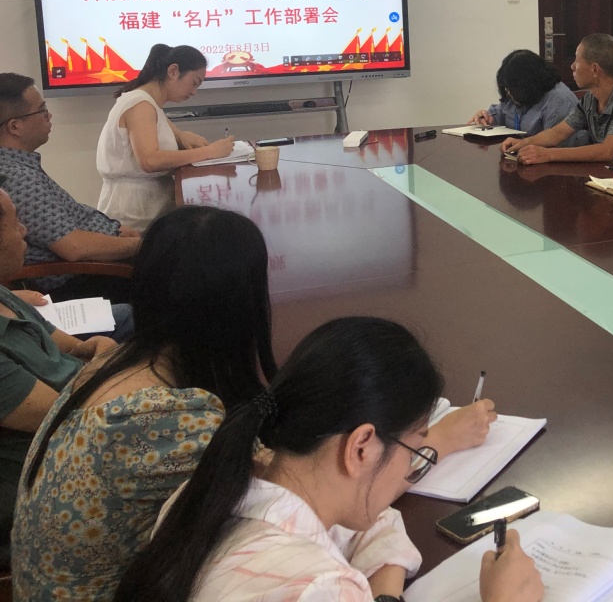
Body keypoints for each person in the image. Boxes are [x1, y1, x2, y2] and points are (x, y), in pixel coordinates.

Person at [11, 206, 497, 602]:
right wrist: (438, 441)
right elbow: (318, 474)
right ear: (241, 303)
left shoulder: (116, 362)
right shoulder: (174, 420)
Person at [112, 316, 543, 602]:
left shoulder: (211, 490)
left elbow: (374, 519)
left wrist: (386, 589)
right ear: (361, 448)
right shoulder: (319, 587)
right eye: (414, 454)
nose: (408, 473)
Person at [0, 183, 115, 567]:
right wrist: (106, 365)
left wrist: (97, 352)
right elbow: (66, 418)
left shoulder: (4, 295)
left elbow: (75, 346)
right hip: (49, 485)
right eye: (14, 222)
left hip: (88, 424)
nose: (24, 231)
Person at [0, 73, 141, 294]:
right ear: (15, 127)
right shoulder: (16, 177)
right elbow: (75, 247)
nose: (49, 116)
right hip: (87, 277)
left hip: (101, 261)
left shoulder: (19, 165)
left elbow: (69, 224)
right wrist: (145, 245)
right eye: (42, 110)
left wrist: (115, 231)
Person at [96, 44, 238, 231]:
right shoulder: (141, 104)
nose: (194, 91)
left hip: (147, 206)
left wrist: (181, 136)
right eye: (194, 82)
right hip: (134, 215)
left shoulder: (149, 102)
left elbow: (166, 129)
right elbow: (149, 160)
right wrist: (210, 152)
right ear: (173, 71)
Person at [501, 34, 613, 168]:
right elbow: (557, 133)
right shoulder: (590, 99)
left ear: (594, 69)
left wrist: (547, 154)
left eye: (577, 61)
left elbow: (608, 151)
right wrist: (523, 143)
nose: (572, 66)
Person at [469, 49, 587, 145]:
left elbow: (554, 145)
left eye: (510, 88)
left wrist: (523, 144)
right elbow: (500, 114)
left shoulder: (559, 100)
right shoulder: (518, 96)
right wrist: (485, 118)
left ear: (527, 85)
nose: (508, 93)